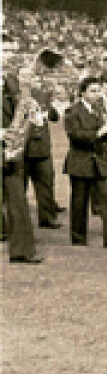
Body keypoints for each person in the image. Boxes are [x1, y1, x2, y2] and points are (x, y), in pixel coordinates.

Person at [63, 76, 107, 247]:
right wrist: (98, 133)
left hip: (100, 161)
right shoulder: (72, 111)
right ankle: (78, 238)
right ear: (83, 93)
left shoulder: (101, 109)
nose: (97, 94)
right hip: (81, 162)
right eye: (93, 91)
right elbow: (75, 135)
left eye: (98, 90)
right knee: (79, 202)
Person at [2, 71, 43, 264]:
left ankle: (22, 251)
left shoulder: (12, 87)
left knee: (18, 203)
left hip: (11, 155)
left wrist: (32, 115)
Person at [17, 64, 62, 229]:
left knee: (46, 185)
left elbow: (54, 117)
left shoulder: (41, 95)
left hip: (42, 147)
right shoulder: (13, 96)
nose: (28, 79)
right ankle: (18, 222)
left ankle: (47, 218)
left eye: (30, 76)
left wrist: (48, 111)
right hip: (21, 148)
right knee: (18, 188)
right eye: (24, 76)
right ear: (18, 78)